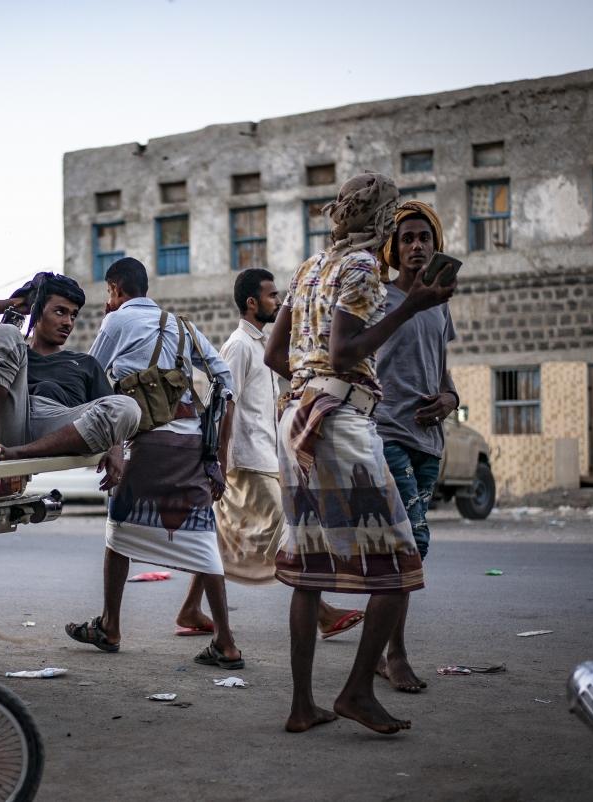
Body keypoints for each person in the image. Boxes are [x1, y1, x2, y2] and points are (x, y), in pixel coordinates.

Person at [264, 173, 454, 735]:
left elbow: (277, 351)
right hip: (339, 423)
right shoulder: (364, 267)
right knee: (400, 569)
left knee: (309, 569)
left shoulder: (309, 267)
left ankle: (303, 706)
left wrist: (310, 380)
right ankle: (356, 692)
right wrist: (411, 307)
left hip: (297, 417)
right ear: (382, 220)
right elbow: (346, 350)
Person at [67, 256, 244, 668]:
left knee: (118, 535)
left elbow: (91, 375)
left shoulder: (115, 322)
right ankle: (227, 642)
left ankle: (110, 625)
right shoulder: (183, 326)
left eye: (109, 295)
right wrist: (216, 453)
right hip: (191, 446)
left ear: (114, 290)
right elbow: (225, 380)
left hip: (145, 445)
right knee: (204, 543)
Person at [175, 269, 364, 642]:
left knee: (221, 539)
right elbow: (224, 404)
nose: (278, 302)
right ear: (252, 302)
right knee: (285, 535)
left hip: (264, 456)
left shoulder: (262, 345)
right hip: (246, 461)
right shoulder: (239, 346)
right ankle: (323, 614)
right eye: (272, 296)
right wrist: (221, 461)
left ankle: (191, 608)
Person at [373, 200, 459, 693]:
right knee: (410, 543)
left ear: (436, 244)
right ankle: (394, 654)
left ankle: (387, 648)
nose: (416, 245)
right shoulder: (379, 298)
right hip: (387, 432)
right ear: (393, 248)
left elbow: (442, 370)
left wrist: (450, 398)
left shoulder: (440, 302)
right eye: (406, 238)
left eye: (424, 237)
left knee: (405, 548)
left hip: (429, 437)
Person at [0, 272, 140, 463]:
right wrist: (16, 303)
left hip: (59, 429)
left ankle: (19, 453)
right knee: (5, 331)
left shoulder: (85, 363)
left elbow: (111, 413)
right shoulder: (12, 351)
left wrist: (116, 450)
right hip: (13, 420)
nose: (68, 322)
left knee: (128, 406)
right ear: (37, 311)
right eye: (60, 312)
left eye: (73, 315)